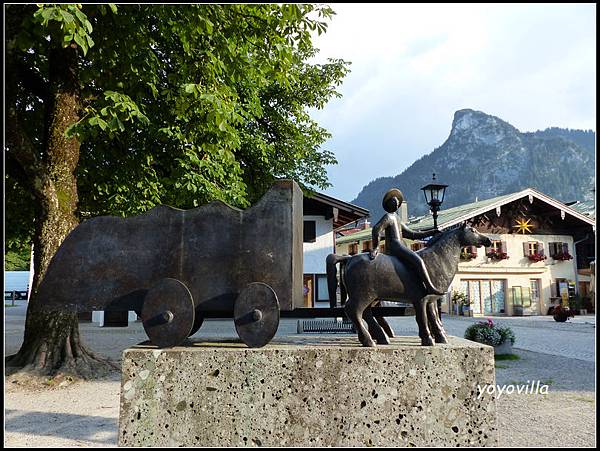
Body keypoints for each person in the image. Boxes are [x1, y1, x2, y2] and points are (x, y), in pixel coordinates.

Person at [369, 188, 445, 295]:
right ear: (389, 203)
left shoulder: (397, 218)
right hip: (395, 246)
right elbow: (376, 229)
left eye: (398, 202)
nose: (396, 203)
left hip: (400, 245)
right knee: (419, 261)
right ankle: (429, 287)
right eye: (394, 201)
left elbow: (412, 234)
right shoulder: (388, 217)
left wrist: (432, 232)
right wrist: (376, 247)